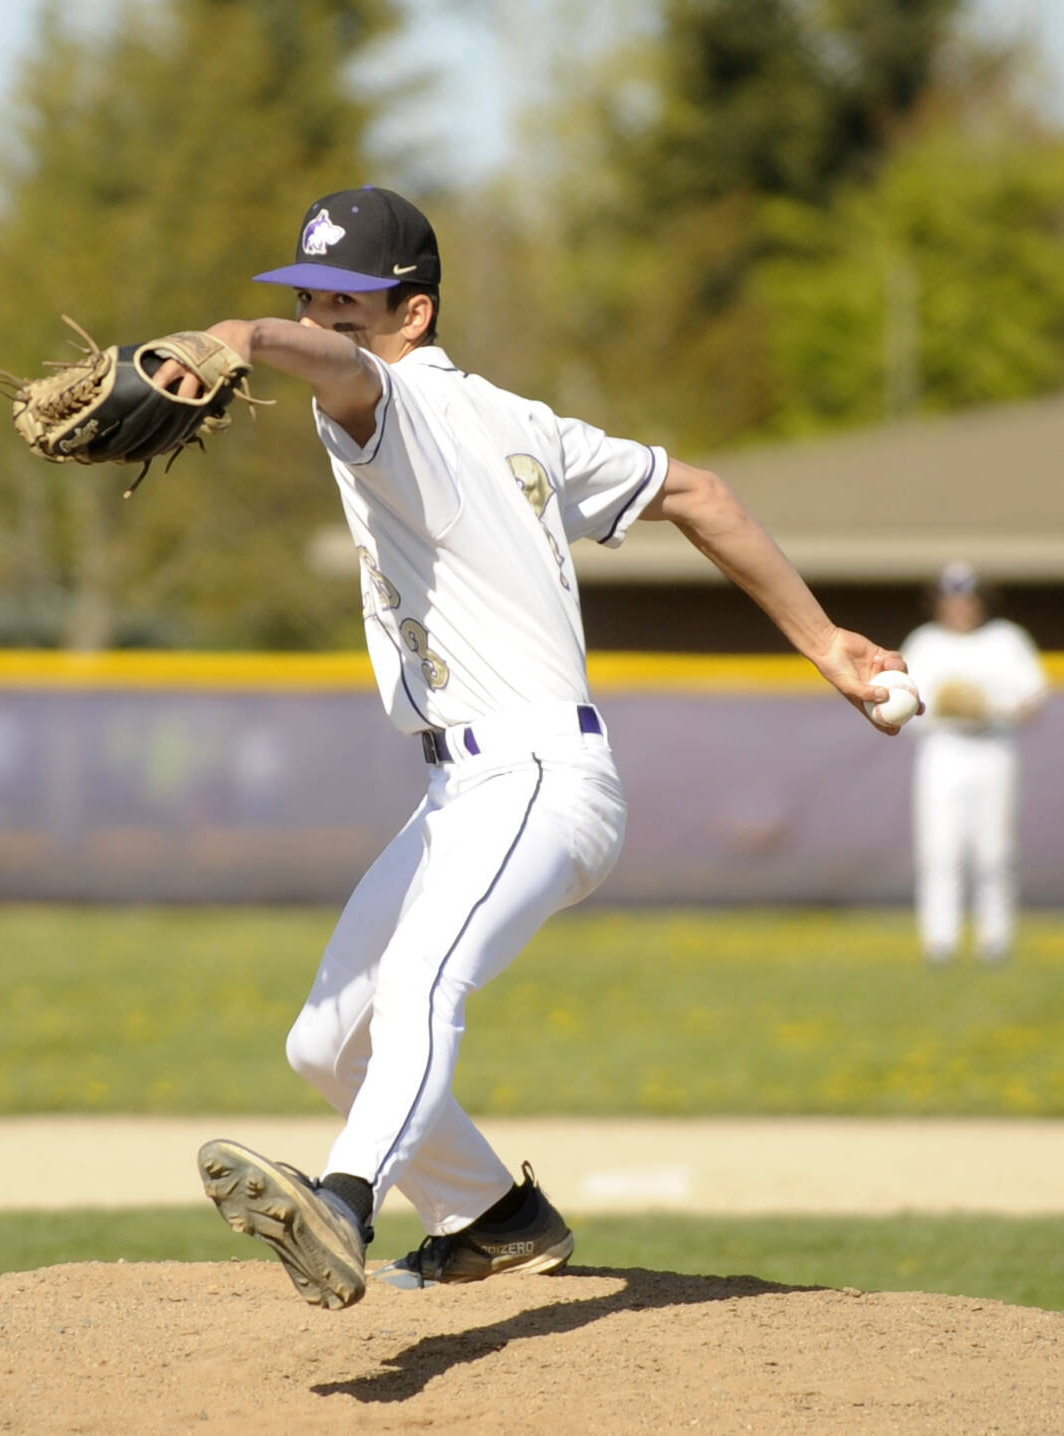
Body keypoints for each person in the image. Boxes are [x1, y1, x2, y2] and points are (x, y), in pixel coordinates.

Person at [154, 185, 912, 1311]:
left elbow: (347, 375)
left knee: (418, 979)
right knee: (326, 1041)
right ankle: (488, 1220)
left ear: (411, 316)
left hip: (533, 774)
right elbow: (696, 491)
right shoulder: (525, 423)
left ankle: (347, 1201)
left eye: (343, 301)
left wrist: (237, 337)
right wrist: (822, 645)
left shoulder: (389, 399)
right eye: (304, 294)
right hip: (468, 785)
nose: (319, 315)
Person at [900, 562, 1047, 965]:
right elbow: (904, 707)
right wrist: (942, 708)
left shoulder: (1006, 640)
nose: (960, 608)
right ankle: (939, 942)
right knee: (939, 849)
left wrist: (989, 705)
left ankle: (995, 941)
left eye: (967, 599)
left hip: (992, 747)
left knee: (994, 850)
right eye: (951, 600)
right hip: (943, 749)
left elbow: (1033, 699)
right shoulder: (925, 642)